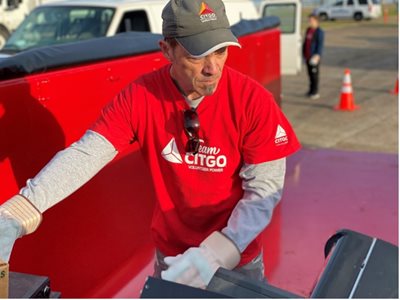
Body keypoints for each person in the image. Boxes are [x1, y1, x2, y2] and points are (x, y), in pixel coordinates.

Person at [0, 0, 300, 289]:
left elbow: (265, 189)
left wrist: (222, 249)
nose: (213, 68)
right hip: (172, 254)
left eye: (221, 51)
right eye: (197, 56)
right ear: (166, 49)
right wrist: (23, 206)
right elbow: (88, 153)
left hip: (238, 260)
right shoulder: (141, 97)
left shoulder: (253, 101)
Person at [302, 14, 324, 100]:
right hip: (308, 56)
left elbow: (320, 44)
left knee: (314, 75)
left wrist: (317, 55)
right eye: (309, 20)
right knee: (310, 74)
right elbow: (306, 42)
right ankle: (311, 90)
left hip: (314, 57)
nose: (310, 22)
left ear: (316, 21)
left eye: (311, 20)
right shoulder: (308, 30)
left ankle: (315, 92)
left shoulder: (319, 32)